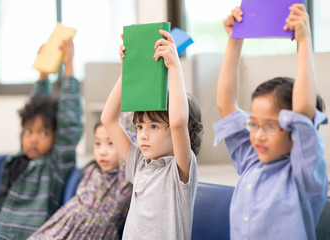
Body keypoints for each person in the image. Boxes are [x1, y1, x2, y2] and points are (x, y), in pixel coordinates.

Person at [213, 4, 328, 239]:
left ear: (295, 131)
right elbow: (226, 106)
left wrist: (304, 41)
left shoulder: (303, 173)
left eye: (271, 126)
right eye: (253, 124)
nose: (258, 135)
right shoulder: (251, 161)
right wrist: (235, 40)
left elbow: (302, 114)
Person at [0, 39, 83, 240]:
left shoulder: (54, 163)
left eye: (43, 133)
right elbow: (35, 107)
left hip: (13, 230)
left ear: (56, 137)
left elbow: (69, 122)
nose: (33, 139)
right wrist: (43, 74)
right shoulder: (20, 157)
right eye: (28, 132)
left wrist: (69, 66)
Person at [101, 30, 203, 240]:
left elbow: (177, 122)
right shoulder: (139, 163)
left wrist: (174, 66)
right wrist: (127, 70)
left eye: (154, 126)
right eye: (139, 127)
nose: (143, 135)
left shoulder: (180, 170)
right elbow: (108, 119)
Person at [28, 119, 133, 240]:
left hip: (95, 233)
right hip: (66, 225)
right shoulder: (92, 170)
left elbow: (127, 152)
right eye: (97, 144)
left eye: (111, 143)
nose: (102, 152)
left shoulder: (125, 180)